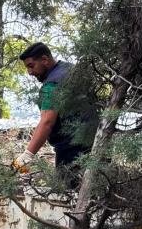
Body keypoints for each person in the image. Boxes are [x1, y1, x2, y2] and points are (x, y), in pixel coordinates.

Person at [13, 42, 90, 173]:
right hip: (95, 141)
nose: (30, 72)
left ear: (45, 59)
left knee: (69, 191)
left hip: (71, 151)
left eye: (31, 66)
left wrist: (27, 155)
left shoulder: (52, 84)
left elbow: (47, 122)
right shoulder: (71, 69)